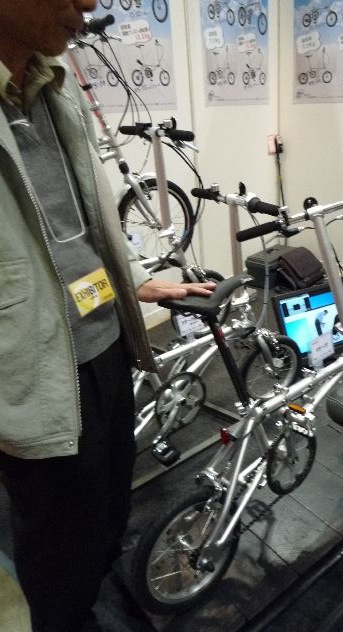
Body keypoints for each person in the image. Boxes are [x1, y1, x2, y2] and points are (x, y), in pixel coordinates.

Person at [0, 1, 215, 630]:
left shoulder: (53, 83)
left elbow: (86, 216)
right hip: (29, 367)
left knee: (108, 510)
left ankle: (94, 597)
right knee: (56, 544)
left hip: (105, 342)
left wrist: (136, 279)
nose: (91, 4)